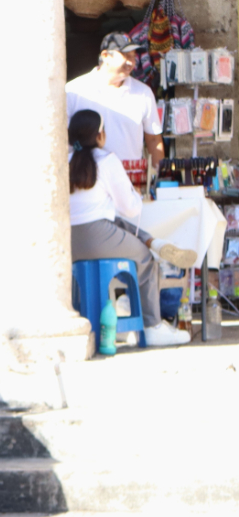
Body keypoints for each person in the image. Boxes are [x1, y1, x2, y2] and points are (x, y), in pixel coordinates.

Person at [68, 109, 190, 347]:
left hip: (69, 241)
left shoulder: (65, 161)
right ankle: (152, 325)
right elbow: (132, 208)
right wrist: (134, 194)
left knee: (118, 223)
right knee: (145, 259)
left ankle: (151, 241)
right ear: (99, 135)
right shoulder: (106, 160)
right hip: (97, 237)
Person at [66, 33, 164, 166]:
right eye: (125, 56)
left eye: (133, 56)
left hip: (130, 181)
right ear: (106, 56)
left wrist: (159, 177)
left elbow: (153, 139)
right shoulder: (74, 91)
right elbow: (62, 138)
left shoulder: (143, 93)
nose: (131, 62)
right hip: (87, 181)